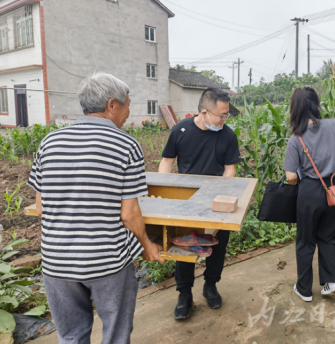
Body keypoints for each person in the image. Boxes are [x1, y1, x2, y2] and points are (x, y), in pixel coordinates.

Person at [27, 73, 163, 344]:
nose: (128, 111)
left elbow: (42, 208)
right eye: (127, 104)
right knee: (115, 334)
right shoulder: (126, 145)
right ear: (111, 105)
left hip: (56, 265)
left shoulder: (49, 143)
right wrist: (147, 245)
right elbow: (129, 214)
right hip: (107, 263)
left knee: (71, 336)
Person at [158, 87, 240, 320]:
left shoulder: (228, 135)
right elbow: (167, 162)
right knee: (184, 248)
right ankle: (184, 295)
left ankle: (210, 286)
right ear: (204, 112)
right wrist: (166, 195)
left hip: (216, 202)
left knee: (217, 245)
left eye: (226, 115)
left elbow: (230, 169)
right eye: (221, 115)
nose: (224, 119)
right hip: (187, 202)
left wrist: (222, 197)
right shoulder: (180, 130)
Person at [283, 87, 335, 302]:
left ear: (295, 109)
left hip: (311, 192)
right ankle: (332, 281)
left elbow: (291, 176)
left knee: (305, 241)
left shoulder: (296, 138)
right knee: (328, 237)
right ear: (316, 104)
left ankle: (304, 289)